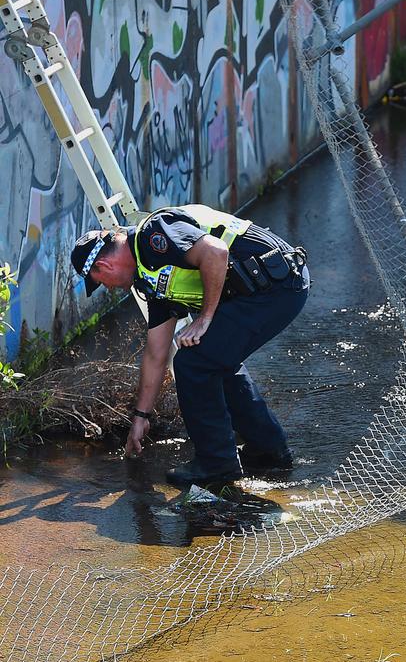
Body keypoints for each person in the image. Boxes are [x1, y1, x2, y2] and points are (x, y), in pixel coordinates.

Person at [70, 204, 310, 487]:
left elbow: (216, 252)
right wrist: (140, 417)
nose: (108, 288)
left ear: (104, 266)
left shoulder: (154, 235)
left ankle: (216, 463)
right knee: (214, 361)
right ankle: (269, 451)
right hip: (270, 289)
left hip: (276, 285)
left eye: (100, 282)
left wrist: (205, 318)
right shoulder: (150, 279)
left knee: (193, 362)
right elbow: (156, 354)